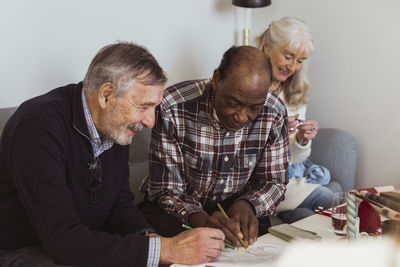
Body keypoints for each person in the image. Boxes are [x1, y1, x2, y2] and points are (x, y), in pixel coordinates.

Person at [0, 42, 225, 267]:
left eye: (153, 108)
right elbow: (63, 241)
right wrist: (166, 249)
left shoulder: (114, 124)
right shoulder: (37, 127)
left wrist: (151, 240)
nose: (150, 121)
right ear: (106, 95)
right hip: (25, 249)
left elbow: (119, 206)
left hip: (84, 242)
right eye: (143, 106)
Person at [139, 45, 289, 248]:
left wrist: (248, 205)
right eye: (234, 103)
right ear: (217, 80)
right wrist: (200, 219)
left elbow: (275, 181)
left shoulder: (274, 111)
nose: (242, 116)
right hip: (179, 212)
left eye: (254, 108)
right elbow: (167, 190)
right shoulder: (172, 107)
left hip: (236, 209)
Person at [257, 17, 334, 223]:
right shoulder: (248, 87)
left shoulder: (293, 95)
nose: (292, 67)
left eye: (300, 61)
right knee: (311, 215)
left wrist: (301, 140)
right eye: (288, 56)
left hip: (285, 182)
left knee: (333, 204)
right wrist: (276, 133)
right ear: (267, 46)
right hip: (255, 184)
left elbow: (296, 159)